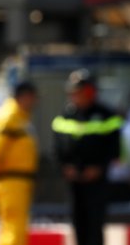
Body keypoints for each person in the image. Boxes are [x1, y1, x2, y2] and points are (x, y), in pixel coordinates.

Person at [51, 70, 122, 245]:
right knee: (78, 222)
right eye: (73, 92)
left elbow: (114, 148)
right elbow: (57, 148)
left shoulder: (107, 115)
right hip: (74, 180)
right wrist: (65, 167)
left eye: (80, 91)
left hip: (97, 180)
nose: (76, 95)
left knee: (95, 223)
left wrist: (99, 168)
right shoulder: (64, 116)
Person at [0, 80, 39, 245]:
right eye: (33, 97)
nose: (35, 102)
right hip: (11, 181)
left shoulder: (18, 117)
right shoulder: (9, 117)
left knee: (15, 226)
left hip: (17, 181)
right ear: (24, 96)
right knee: (13, 227)